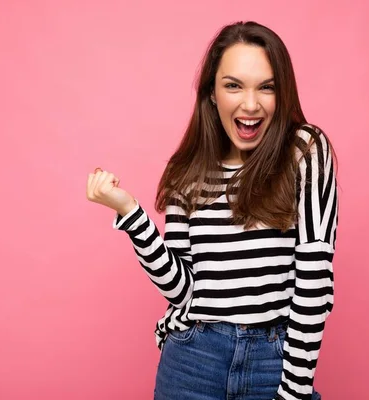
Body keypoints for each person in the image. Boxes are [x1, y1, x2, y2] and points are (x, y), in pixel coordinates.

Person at [87, 21, 338, 400]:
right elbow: (185, 291)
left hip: (275, 359)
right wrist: (131, 214)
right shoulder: (187, 170)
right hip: (193, 359)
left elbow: (314, 281)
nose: (250, 104)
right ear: (212, 94)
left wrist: (294, 390)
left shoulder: (304, 150)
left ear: (281, 93)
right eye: (233, 85)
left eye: (266, 87)